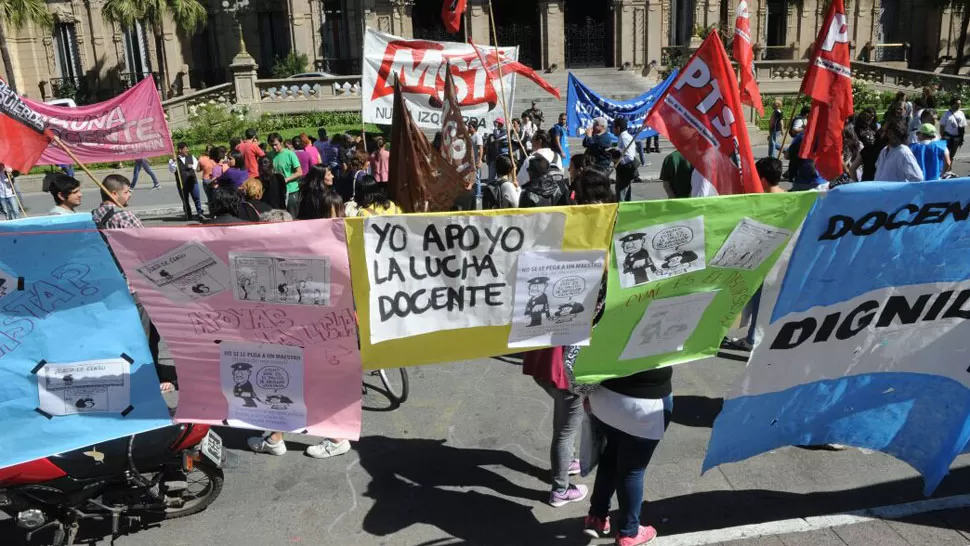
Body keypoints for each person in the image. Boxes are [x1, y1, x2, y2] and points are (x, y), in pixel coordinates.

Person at [247, 208, 351, 459]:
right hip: (287, 336)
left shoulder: (300, 259)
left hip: (304, 336)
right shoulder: (285, 255)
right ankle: (275, 437)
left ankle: (337, 438)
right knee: (280, 384)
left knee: (303, 386)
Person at [582, 293, 673, 546]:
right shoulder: (670, 306)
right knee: (632, 469)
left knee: (611, 457)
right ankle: (630, 532)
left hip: (605, 398)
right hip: (644, 405)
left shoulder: (608, 301)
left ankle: (597, 516)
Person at [268, 133, 304, 213]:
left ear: (281, 142)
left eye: (276, 145)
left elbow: (299, 172)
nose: (274, 147)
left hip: (291, 190)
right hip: (278, 192)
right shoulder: (270, 155)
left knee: (292, 217)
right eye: (272, 145)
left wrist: (286, 179)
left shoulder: (290, 154)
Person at [168, 142, 204, 220]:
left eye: (187, 148)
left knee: (196, 198)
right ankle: (188, 214)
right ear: (180, 150)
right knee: (185, 200)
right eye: (185, 149)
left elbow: (196, 166)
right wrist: (173, 162)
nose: (187, 150)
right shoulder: (173, 160)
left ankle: (199, 212)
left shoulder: (191, 157)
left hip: (192, 181)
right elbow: (172, 170)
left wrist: (192, 166)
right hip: (182, 183)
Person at [612, 118, 640, 202]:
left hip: (625, 170)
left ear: (618, 128)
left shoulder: (625, 138)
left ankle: (622, 211)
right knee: (624, 193)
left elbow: (629, 156)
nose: (613, 130)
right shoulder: (622, 137)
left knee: (621, 194)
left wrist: (618, 161)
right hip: (623, 170)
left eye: (614, 128)